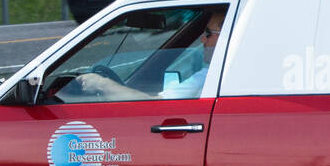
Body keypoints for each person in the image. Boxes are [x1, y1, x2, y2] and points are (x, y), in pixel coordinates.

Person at [76, 9, 224, 101]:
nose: (202, 39)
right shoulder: (216, 74)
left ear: (226, 36)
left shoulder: (210, 77)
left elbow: (159, 104)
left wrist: (101, 84)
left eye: (208, 33)